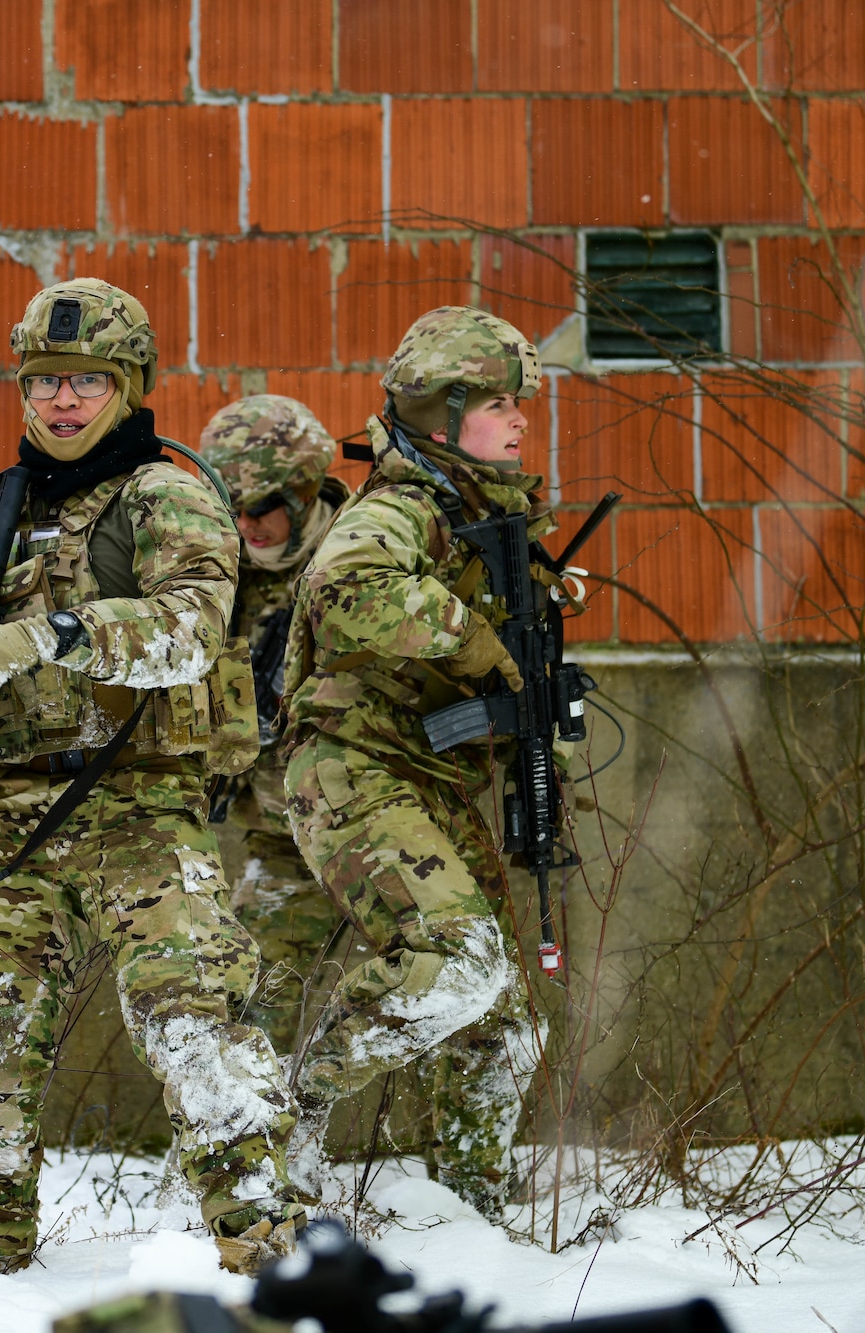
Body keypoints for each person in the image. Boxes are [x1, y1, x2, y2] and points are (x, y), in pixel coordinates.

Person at [0, 279, 305, 1278]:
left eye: (87, 382)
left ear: (128, 386)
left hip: (139, 805)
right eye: (46, 381)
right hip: (7, 815)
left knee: (192, 1020)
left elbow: (192, 626)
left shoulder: (165, 493)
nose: (63, 402)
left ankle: (268, 1256)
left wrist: (55, 631)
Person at [279, 306, 567, 1221]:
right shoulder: (405, 506)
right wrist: (473, 638)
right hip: (351, 767)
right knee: (459, 956)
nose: (520, 417)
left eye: (519, 401)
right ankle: (287, 1106)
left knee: (504, 1020)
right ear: (441, 416)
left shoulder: (483, 514)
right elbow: (344, 590)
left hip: (429, 778)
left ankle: (472, 1210)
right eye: (495, 402)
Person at [197, 396, 347, 1055]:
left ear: (304, 491)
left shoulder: (360, 562)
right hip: (281, 839)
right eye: (231, 508)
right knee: (249, 1004)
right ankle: (248, 1149)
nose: (246, 526)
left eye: (262, 508)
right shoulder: (219, 576)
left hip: (385, 828)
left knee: (446, 993)